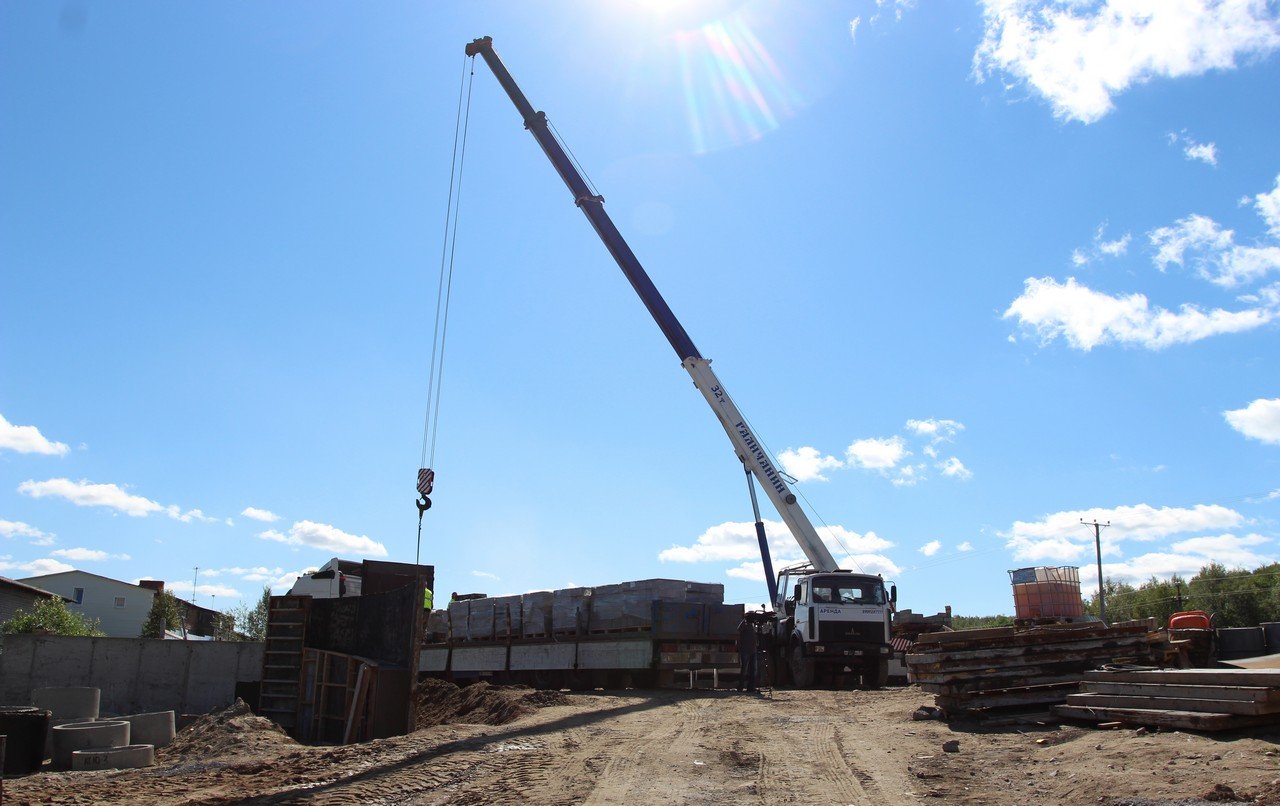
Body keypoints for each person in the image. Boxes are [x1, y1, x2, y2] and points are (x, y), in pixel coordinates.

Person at [737, 615, 758, 692]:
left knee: (753, 670)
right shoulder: (744, 625)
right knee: (744, 669)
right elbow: (738, 631)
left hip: (752, 650)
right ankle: (741, 687)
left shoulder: (751, 626)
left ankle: (751, 687)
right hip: (745, 650)